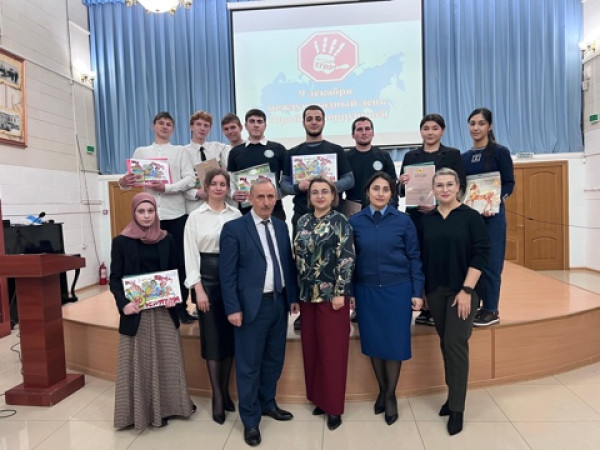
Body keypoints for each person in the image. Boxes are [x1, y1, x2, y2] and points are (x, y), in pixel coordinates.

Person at [220, 178, 299, 447]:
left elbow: (286, 263)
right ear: (250, 199)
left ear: (276, 199)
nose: (266, 202)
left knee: (273, 360)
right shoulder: (234, 228)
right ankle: (251, 420)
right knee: (249, 365)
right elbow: (227, 274)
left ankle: (268, 404)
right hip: (250, 307)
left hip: (278, 303)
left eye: (270, 197)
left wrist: (292, 297)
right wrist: (233, 308)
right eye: (261, 197)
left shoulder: (281, 226)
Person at [109, 193, 195, 430]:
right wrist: (124, 304)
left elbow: (178, 271)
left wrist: (175, 298)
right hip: (136, 313)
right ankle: (140, 411)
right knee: (140, 362)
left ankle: (169, 407)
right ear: (134, 213)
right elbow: (115, 279)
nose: (146, 216)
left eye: (151, 211)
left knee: (167, 359)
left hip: (164, 312)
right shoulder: (121, 241)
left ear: (157, 213)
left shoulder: (167, 239)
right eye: (141, 211)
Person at [349, 172, 424, 425]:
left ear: (392, 194)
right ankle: (382, 390)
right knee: (374, 343)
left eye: (386, 189)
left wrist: (417, 292)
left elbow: (414, 257)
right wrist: (351, 293)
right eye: (376, 188)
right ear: (367, 192)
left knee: (394, 345)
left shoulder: (403, 221)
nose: (380, 193)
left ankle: (390, 395)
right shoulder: (355, 221)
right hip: (367, 291)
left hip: (397, 291)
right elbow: (350, 261)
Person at [419, 168, 489, 435]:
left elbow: (481, 254)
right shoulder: (427, 220)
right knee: (445, 343)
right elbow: (422, 257)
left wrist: (467, 290)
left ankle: (457, 408)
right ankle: (452, 397)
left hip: (464, 292)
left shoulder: (471, 217)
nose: (445, 189)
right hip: (436, 292)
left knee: (455, 344)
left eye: (450, 184)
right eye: (440, 185)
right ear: (433, 189)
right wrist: (424, 291)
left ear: (458, 187)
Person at [119, 111, 197, 324]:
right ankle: (150, 304)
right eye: (161, 123)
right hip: (149, 217)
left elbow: (190, 179)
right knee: (149, 261)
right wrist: (124, 181)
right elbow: (129, 182)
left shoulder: (180, 151)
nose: (164, 126)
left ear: (173, 129)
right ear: (153, 126)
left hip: (176, 214)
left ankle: (180, 307)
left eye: (169, 124)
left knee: (178, 263)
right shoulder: (141, 151)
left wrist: (167, 188)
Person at [281, 104, 354, 330]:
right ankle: (304, 308)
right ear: (303, 122)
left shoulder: (336, 150)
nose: (314, 122)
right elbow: (283, 185)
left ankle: (338, 299)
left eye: (317, 118)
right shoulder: (292, 152)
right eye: (309, 118)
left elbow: (349, 180)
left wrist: (328, 187)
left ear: (324, 121)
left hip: (331, 216)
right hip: (302, 214)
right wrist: (298, 187)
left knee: (335, 257)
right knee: (302, 260)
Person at [293, 177, 355, 431]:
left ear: (333, 196)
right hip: (307, 296)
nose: (320, 196)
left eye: (325, 192)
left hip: (333, 297)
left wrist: (341, 292)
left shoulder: (341, 221)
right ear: (309, 197)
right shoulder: (302, 221)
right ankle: (319, 398)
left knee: (332, 353)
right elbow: (297, 258)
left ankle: (334, 407)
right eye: (315, 192)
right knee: (313, 350)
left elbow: (347, 258)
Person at [183, 168, 240, 424]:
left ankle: (226, 393)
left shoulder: (236, 214)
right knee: (213, 339)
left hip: (231, 280)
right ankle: (217, 395)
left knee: (229, 338)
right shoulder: (195, 217)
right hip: (206, 280)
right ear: (205, 188)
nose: (218, 188)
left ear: (228, 188)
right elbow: (190, 255)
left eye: (222, 184)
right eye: (214, 184)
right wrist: (198, 289)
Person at [399, 113, 466, 327]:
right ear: (420, 131)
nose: (430, 132)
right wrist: (401, 183)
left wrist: (437, 205)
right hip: (417, 217)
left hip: (443, 217)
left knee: (439, 259)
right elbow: (401, 191)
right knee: (419, 259)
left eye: (435, 128)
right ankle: (424, 307)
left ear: (442, 131)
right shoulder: (411, 156)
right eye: (426, 128)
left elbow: (461, 187)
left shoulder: (453, 154)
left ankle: (440, 304)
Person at [462, 108, 515, 326]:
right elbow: (461, 188)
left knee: (492, 262)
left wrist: (495, 202)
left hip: (492, 217)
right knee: (473, 262)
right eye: (472, 123)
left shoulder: (500, 152)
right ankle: (478, 305)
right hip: (471, 218)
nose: (476, 128)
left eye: (481, 123)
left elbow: (509, 183)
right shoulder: (464, 157)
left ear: (490, 126)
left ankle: (491, 309)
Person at [227, 109, 287, 220]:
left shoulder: (278, 149)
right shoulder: (235, 152)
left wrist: (278, 194)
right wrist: (233, 194)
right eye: (252, 121)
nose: (256, 125)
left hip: (274, 211)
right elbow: (230, 180)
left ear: (265, 126)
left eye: (259, 121)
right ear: (246, 125)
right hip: (246, 212)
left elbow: (287, 178)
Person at [183, 111, 230, 214]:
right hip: (194, 208)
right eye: (198, 124)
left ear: (210, 129)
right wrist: (196, 193)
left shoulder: (219, 148)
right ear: (191, 127)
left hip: (218, 206)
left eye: (206, 125)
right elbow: (180, 184)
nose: (202, 128)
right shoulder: (183, 152)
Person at [346, 117, 398, 208]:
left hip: (379, 206)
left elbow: (392, 185)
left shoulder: (384, 156)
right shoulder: (346, 158)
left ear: (373, 133)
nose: (364, 132)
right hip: (353, 208)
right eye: (359, 129)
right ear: (353, 135)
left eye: (367, 129)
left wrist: (392, 209)